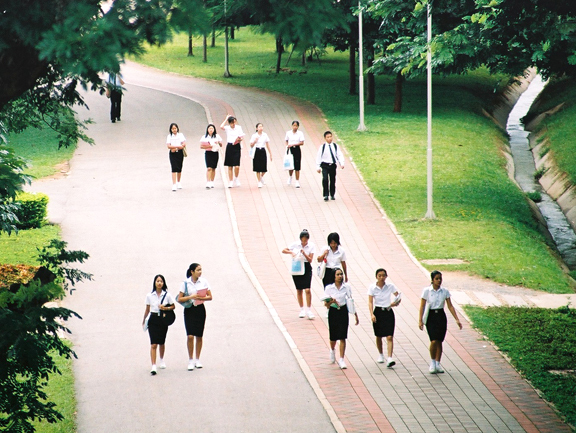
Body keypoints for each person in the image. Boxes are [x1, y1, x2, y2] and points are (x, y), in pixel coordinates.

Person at [418, 270, 462, 374]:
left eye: (440, 279)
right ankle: (432, 362)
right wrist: (420, 320)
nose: (439, 281)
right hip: (431, 316)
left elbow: (450, 305)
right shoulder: (427, 291)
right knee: (433, 340)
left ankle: (438, 363)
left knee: (439, 340)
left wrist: (457, 319)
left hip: (441, 316)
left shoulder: (444, 291)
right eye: (436, 279)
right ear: (432, 280)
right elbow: (422, 305)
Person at [178, 263, 213, 371]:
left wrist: (201, 297)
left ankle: (197, 359)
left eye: (201, 270)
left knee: (199, 335)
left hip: (200, 309)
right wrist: (192, 296)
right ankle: (190, 359)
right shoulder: (185, 283)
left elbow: (210, 296)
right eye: (198, 270)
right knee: (190, 336)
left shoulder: (204, 282)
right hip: (189, 309)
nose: (200, 272)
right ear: (192, 271)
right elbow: (180, 299)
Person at [323, 268, 359, 369]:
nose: (340, 276)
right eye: (338, 274)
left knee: (343, 335)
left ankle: (342, 359)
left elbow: (350, 300)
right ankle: (332, 349)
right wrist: (332, 301)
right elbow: (326, 305)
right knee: (333, 335)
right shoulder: (329, 288)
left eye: (341, 274)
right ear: (334, 276)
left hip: (343, 311)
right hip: (333, 311)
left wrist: (355, 314)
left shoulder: (346, 287)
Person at [367, 268, 401, 367]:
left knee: (389, 336)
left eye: (383, 275)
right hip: (378, 312)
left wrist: (395, 303)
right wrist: (371, 314)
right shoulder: (372, 287)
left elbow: (398, 296)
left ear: (386, 276)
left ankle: (390, 357)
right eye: (379, 276)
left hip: (388, 311)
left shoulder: (390, 286)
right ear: (376, 277)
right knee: (379, 335)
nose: (382, 278)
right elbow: (370, 301)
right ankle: (381, 354)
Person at [142, 275, 175, 375]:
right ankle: (153, 365)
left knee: (161, 341)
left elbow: (173, 306)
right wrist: (144, 320)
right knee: (153, 343)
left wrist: (165, 308)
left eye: (161, 281)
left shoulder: (167, 295)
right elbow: (147, 309)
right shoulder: (149, 295)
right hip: (153, 319)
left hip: (163, 319)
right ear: (154, 283)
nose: (159, 283)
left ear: (163, 283)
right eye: (157, 281)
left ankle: (161, 359)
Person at [282, 229, 316, 319]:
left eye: (305, 240)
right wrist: (291, 252)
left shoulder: (311, 246)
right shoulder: (296, 244)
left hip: (306, 266)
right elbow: (284, 250)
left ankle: (309, 309)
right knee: (299, 289)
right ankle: (302, 309)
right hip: (297, 266)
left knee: (307, 289)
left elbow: (310, 260)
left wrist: (304, 253)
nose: (304, 242)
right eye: (302, 240)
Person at [316, 131, 345, 201]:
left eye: (330, 137)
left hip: (332, 165)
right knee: (325, 179)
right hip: (325, 165)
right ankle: (326, 194)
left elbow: (339, 155)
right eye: (328, 137)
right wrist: (318, 167)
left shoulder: (335, 146)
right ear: (325, 138)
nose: (329, 138)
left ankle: (332, 194)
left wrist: (342, 163)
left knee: (332, 180)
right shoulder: (322, 147)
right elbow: (319, 157)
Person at [220, 114, 245, 188]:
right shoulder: (227, 128)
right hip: (230, 146)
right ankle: (230, 181)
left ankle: (236, 178)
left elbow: (242, 136)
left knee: (237, 165)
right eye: (232, 123)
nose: (234, 124)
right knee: (230, 165)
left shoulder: (238, 128)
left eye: (234, 122)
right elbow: (221, 127)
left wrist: (239, 139)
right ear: (229, 123)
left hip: (237, 146)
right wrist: (226, 118)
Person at [249, 123, 273, 188]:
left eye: (262, 126)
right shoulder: (254, 135)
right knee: (257, 167)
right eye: (259, 127)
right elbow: (251, 145)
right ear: (257, 128)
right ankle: (259, 181)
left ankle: (261, 176)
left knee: (264, 167)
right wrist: (255, 141)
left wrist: (270, 153)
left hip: (262, 150)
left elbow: (267, 144)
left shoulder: (265, 135)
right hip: (256, 150)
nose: (261, 128)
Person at [200, 124, 223, 189]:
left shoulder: (217, 136)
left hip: (215, 152)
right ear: (207, 129)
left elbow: (221, 145)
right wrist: (209, 146)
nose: (211, 130)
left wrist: (218, 142)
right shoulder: (204, 137)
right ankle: (208, 181)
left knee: (213, 168)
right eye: (209, 128)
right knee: (209, 168)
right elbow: (201, 146)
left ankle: (212, 181)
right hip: (208, 152)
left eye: (212, 128)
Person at [166, 123, 187, 191]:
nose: (174, 130)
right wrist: (177, 147)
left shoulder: (180, 135)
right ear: (171, 129)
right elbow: (169, 146)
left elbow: (184, 143)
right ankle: (174, 184)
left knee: (179, 167)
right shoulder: (169, 136)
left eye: (175, 128)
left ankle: (178, 182)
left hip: (179, 153)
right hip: (173, 153)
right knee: (174, 167)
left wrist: (178, 147)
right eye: (173, 129)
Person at [284, 120, 305, 188]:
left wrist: (294, 144)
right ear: (292, 126)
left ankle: (297, 181)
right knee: (291, 164)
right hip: (290, 149)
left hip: (297, 149)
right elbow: (286, 140)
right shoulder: (288, 133)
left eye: (296, 126)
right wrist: (287, 145)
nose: (295, 127)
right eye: (294, 125)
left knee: (297, 166)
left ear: (298, 126)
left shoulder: (300, 133)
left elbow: (302, 142)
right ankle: (290, 177)